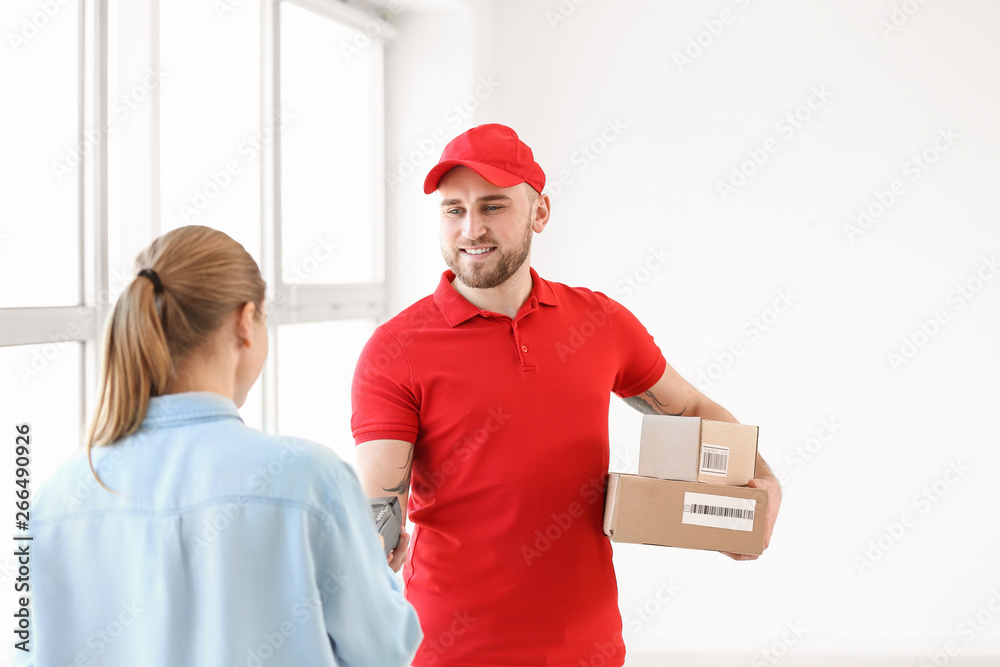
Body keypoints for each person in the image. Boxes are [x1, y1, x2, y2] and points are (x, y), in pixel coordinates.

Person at [350, 123, 782, 666]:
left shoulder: (600, 322)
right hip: (452, 647)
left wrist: (758, 488)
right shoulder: (397, 348)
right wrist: (369, 547)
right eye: (454, 210)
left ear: (540, 212)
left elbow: (691, 409)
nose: (471, 228)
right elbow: (379, 502)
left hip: (587, 644)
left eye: (493, 206)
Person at [15, 226, 421, 667]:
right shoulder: (310, 479)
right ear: (246, 322)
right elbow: (384, 650)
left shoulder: (55, 498)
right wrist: (368, 570)